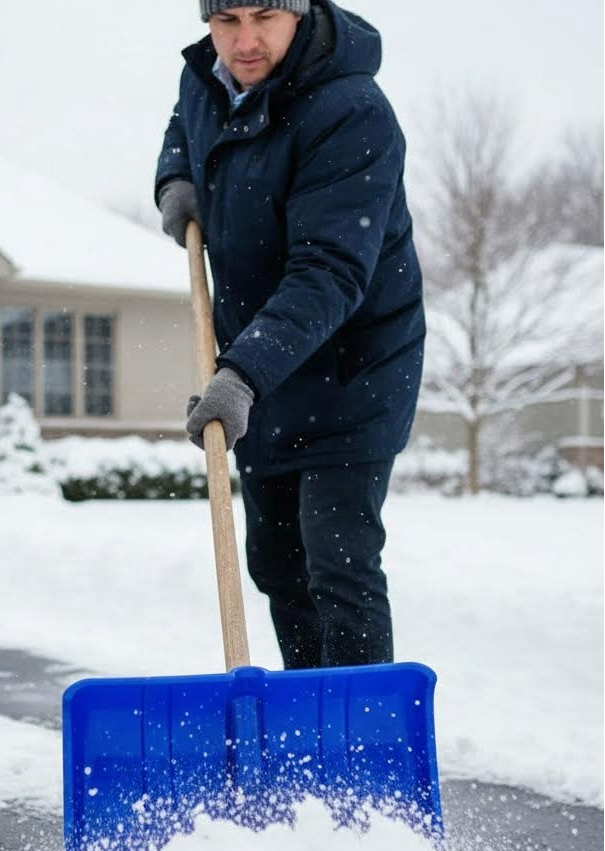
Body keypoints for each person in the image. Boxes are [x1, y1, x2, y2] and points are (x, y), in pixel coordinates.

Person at [156, 0, 424, 670]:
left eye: (263, 18)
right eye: (226, 22)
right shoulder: (205, 77)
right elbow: (183, 126)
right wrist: (175, 179)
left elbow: (329, 269)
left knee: (337, 560)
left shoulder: (350, 110)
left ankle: (359, 745)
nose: (243, 42)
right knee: (276, 564)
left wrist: (241, 372)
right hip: (264, 360)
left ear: (299, 15)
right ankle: (306, 725)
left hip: (351, 367)